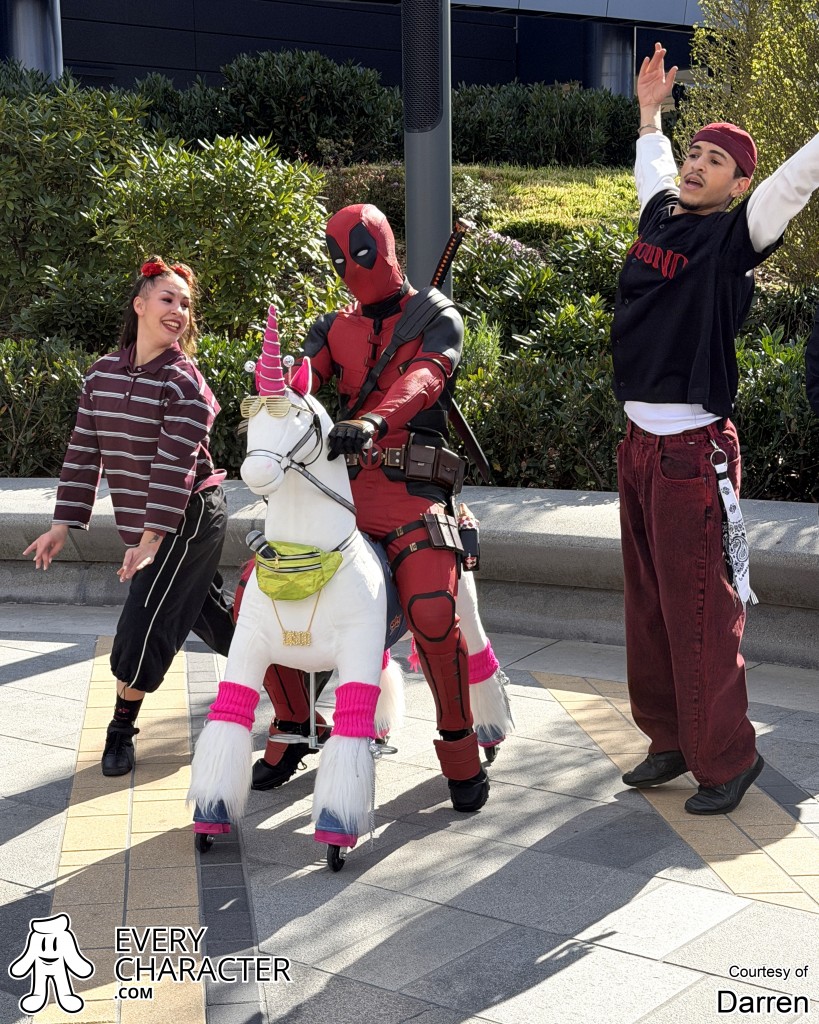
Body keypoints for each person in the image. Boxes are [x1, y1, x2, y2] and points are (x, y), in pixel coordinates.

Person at [614, 43, 819, 815]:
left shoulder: (735, 237)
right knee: (647, 608)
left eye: (715, 161)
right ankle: (668, 738)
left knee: (699, 611)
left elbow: (792, 181)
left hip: (690, 457)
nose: (696, 165)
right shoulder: (661, 215)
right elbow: (651, 169)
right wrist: (649, 114)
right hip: (637, 449)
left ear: (737, 185)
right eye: (694, 153)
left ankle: (727, 759)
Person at [252, 203, 489, 812]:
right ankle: (295, 723)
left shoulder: (438, 317)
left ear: (385, 246)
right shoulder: (331, 326)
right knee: (261, 587)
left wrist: (375, 420)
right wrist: (277, 384)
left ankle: (459, 746)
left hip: (414, 489)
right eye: (342, 259)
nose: (354, 269)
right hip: (344, 493)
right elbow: (302, 385)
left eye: (362, 253)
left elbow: (427, 379)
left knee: (432, 608)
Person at [24, 256, 235, 776]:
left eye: (186, 304)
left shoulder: (184, 382)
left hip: (189, 516)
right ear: (139, 305)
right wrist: (61, 524)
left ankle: (120, 731)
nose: (179, 310)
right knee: (210, 616)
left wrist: (150, 538)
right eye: (168, 299)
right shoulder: (102, 374)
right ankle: (298, 680)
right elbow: (83, 449)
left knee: (144, 621)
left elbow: (174, 465)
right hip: (153, 524)